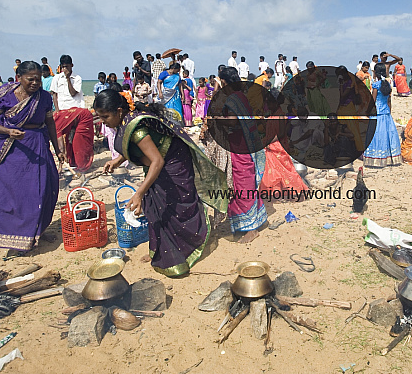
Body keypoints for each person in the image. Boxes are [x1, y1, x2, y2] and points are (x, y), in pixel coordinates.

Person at [96, 89, 228, 276]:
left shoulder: (137, 129)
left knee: (173, 205)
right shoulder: (125, 121)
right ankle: (159, 249)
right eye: (100, 117)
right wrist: (117, 160)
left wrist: (139, 193)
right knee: (154, 206)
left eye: (105, 116)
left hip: (172, 161)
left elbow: (157, 161)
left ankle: (185, 251)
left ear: (119, 111)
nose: (103, 121)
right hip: (158, 162)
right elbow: (137, 149)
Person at [0, 61, 63, 252]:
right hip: (11, 149)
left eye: (38, 79)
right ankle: (15, 237)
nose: (35, 83)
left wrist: (57, 147)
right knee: (13, 193)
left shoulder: (44, 98)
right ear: (19, 78)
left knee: (43, 189)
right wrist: (8, 131)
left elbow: (50, 123)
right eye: (30, 79)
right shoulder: (4, 95)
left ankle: (39, 231)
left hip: (37, 146)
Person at [217, 67, 267, 242]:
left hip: (240, 146)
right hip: (243, 144)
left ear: (224, 82)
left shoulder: (233, 99)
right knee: (244, 184)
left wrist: (215, 120)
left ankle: (251, 228)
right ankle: (247, 222)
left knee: (243, 184)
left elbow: (232, 121)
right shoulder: (240, 97)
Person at [50, 55, 94, 172]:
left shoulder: (77, 78)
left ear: (71, 66)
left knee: (77, 139)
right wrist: (57, 109)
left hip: (76, 111)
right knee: (60, 135)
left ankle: (81, 164)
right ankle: (65, 162)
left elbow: (74, 93)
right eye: (63, 67)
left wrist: (68, 78)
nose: (64, 69)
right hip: (63, 111)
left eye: (67, 66)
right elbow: (54, 94)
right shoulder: (57, 78)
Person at [363, 63, 401, 167]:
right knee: (388, 135)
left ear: (375, 72)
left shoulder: (376, 85)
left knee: (376, 135)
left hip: (377, 113)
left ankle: (376, 158)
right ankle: (390, 157)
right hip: (386, 113)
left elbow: (373, 100)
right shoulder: (387, 84)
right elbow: (389, 100)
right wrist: (389, 111)